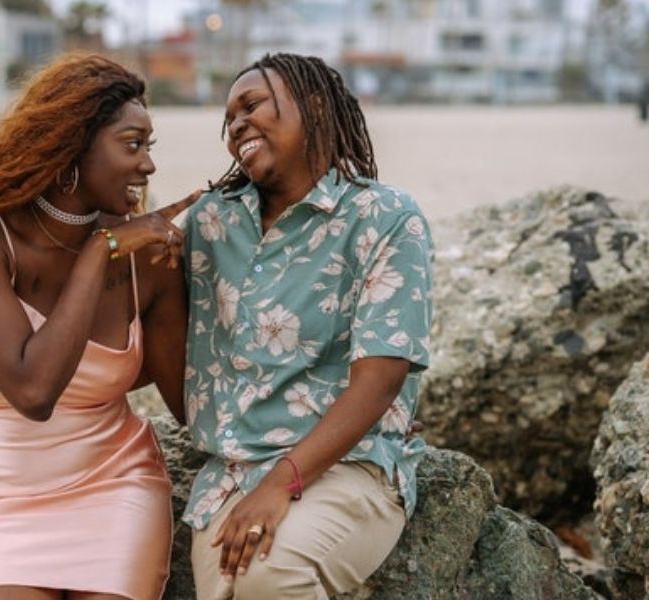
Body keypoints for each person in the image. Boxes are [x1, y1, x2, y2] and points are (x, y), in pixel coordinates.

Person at [0, 53, 196, 600]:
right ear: (74, 147)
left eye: (149, 147)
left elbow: (188, 403)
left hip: (114, 488)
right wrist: (101, 250)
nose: (148, 166)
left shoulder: (150, 259)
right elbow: (34, 389)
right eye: (133, 144)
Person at [180, 52, 434, 599]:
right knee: (232, 584)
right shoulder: (210, 224)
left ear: (314, 105)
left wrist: (280, 483)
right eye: (229, 120)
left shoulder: (385, 217)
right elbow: (153, 325)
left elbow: (380, 378)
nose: (237, 125)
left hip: (349, 467)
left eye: (252, 105)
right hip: (228, 478)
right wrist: (119, 244)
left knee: (270, 573)